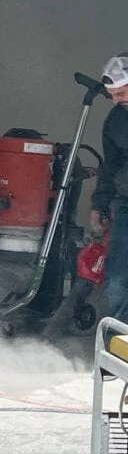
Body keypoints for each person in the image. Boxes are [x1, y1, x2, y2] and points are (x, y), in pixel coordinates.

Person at [91, 52, 128, 322]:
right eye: (112, 94)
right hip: (126, 206)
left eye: (122, 92)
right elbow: (110, 166)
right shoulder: (116, 120)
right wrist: (99, 205)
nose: (116, 100)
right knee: (116, 282)